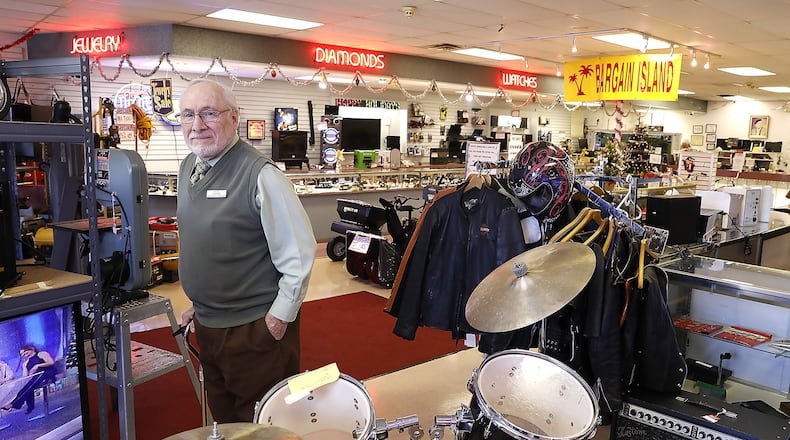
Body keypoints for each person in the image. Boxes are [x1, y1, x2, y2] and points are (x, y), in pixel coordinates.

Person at [176, 78, 316, 423]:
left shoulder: (261, 175)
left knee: (263, 425)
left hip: (254, 329)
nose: (197, 126)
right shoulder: (187, 168)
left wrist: (277, 320)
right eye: (188, 115)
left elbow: (299, 256)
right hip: (208, 324)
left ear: (234, 117)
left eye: (209, 113)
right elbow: (210, 244)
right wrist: (200, 302)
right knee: (226, 423)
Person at [1, 344, 57, 414]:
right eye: (22, 354)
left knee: (32, 382)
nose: (24, 354)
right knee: (26, 384)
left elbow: (51, 362)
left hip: (46, 373)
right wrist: (24, 367)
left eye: (25, 352)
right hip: (36, 377)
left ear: (31, 349)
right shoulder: (26, 362)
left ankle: (14, 404)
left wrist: (37, 365)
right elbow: (26, 376)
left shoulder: (41, 354)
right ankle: (29, 406)